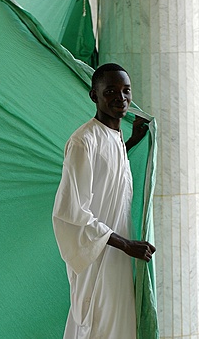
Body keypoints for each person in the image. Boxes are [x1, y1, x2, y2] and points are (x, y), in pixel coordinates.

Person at [52, 63, 156, 339]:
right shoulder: (82, 142)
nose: (120, 98)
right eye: (110, 91)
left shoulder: (115, 136)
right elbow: (72, 212)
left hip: (118, 258)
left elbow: (110, 168)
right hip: (97, 258)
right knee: (96, 328)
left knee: (120, 327)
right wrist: (125, 245)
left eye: (125, 91)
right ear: (94, 96)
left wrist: (132, 141)